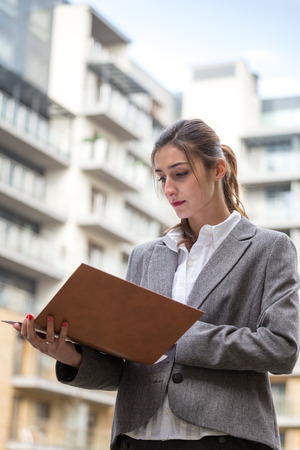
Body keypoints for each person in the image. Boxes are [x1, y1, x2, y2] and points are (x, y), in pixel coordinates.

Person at [14, 118, 299, 450]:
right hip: (138, 438)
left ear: (218, 170)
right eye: (162, 178)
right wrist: (71, 356)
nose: (168, 189)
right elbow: (129, 370)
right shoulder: (145, 256)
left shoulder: (268, 248)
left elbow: (282, 348)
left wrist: (176, 334)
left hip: (224, 438)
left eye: (180, 174)